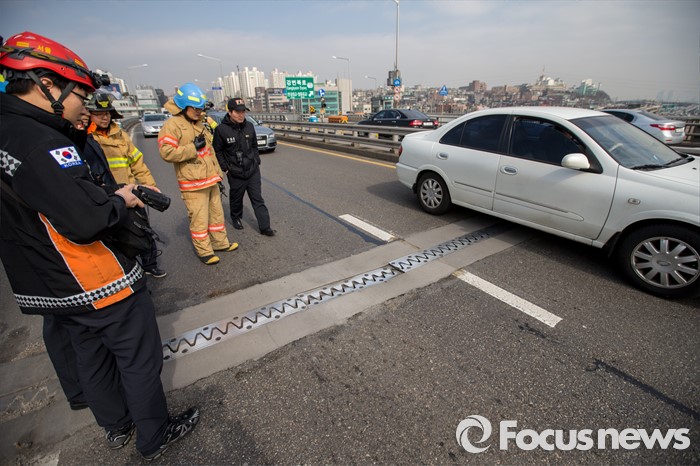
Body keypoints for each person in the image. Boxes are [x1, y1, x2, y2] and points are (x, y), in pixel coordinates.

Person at [0, 32, 198, 461]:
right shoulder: (41, 142)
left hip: (49, 285)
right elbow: (87, 219)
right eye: (80, 94)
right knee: (138, 359)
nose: (84, 106)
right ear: (46, 84)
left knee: (92, 360)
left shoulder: (7, 134)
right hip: (94, 278)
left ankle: (116, 425)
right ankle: (154, 434)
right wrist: (119, 199)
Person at [87, 93, 166, 278]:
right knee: (116, 235)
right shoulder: (87, 139)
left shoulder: (120, 134)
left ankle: (150, 264)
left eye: (107, 113)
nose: (104, 117)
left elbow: (137, 163)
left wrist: (149, 187)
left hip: (131, 190)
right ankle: (125, 272)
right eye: (99, 114)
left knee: (143, 229)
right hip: (108, 194)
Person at [158, 82, 238, 265]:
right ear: (183, 106)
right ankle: (204, 251)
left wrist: (218, 175)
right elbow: (166, 152)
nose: (197, 111)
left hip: (210, 179)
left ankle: (220, 243)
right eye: (194, 108)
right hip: (193, 183)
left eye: (200, 108)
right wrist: (192, 148)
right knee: (199, 220)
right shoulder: (172, 125)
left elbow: (210, 152)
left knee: (216, 216)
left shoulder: (200, 123)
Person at [213, 97, 275, 236]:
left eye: (243, 112)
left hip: (252, 170)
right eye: (237, 112)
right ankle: (236, 217)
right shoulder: (221, 130)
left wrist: (256, 160)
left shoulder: (249, 126)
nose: (241, 115)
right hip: (235, 172)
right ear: (230, 112)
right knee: (236, 198)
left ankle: (265, 227)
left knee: (258, 199)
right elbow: (217, 151)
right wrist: (225, 168)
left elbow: (254, 145)